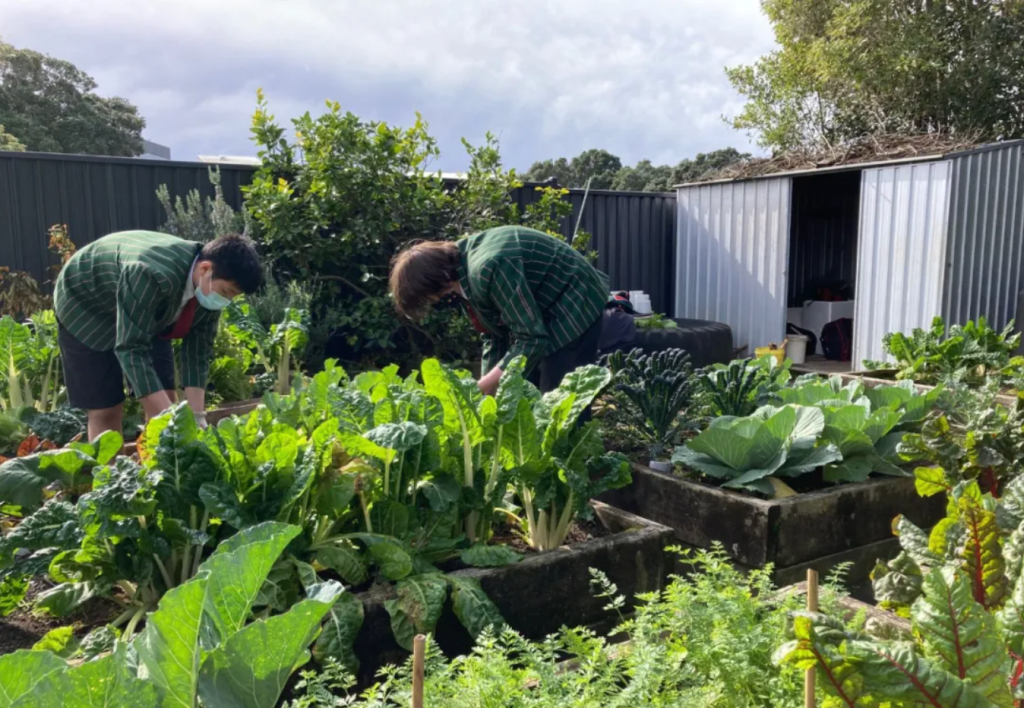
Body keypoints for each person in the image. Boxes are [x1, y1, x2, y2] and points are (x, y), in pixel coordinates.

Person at [54, 230, 261, 439]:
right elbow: (130, 348)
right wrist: (173, 420)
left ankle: (162, 469)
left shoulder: (207, 289)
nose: (226, 300)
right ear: (205, 269)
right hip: (86, 304)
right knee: (106, 409)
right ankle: (109, 471)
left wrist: (197, 417)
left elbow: (197, 353)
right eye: (226, 292)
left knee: (165, 396)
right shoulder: (151, 273)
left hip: (145, 307)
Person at [389, 225, 609, 395]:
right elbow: (493, 335)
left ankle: (570, 451)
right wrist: (487, 389)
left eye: (429, 297)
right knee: (521, 385)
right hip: (544, 307)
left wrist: (484, 385)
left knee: (557, 389)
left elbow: (531, 339)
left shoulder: (489, 267)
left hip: (575, 296)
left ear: (438, 281)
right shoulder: (458, 274)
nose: (435, 302)